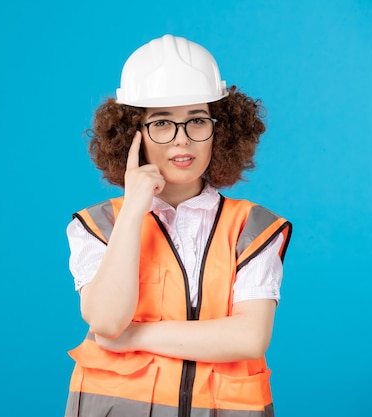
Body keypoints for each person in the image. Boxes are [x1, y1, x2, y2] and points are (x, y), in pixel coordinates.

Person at [64, 34, 292, 417]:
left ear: (220, 130)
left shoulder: (253, 227)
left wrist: (134, 336)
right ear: (133, 134)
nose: (182, 141)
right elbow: (105, 319)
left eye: (197, 121)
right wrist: (135, 208)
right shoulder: (98, 224)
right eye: (162, 123)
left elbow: (250, 337)